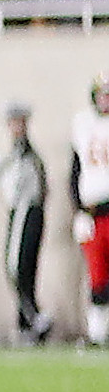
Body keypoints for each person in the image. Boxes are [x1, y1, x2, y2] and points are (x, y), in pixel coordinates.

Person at [0, 104, 50, 343]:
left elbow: (39, 188)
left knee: (20, 268)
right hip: (16, 212)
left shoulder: (29, 155)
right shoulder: (12, 154)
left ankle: (33, 318)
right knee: (15, 268)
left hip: (28, 212)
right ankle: (28, 320)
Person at [76, 78, 109, 348]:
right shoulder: (83, 125)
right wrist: (79, 210)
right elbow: (75, 171)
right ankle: (97, 333)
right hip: (94, 213)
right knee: (97, 276)